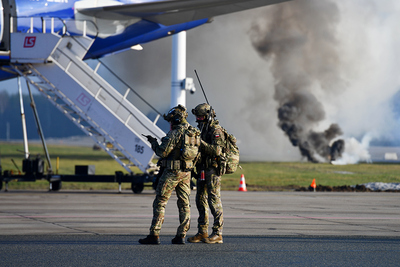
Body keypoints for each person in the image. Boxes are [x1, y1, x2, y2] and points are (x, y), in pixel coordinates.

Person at [139, 105, 197, 245]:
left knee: (160, 201)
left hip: (172, 172)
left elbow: (162, 152)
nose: (170, 123)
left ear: (176, 119)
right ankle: (181, 235)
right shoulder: (194, 132)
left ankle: (154, 235)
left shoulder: (175, 133)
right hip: (186, 173)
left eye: (171, 120)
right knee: (184, 204)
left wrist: (153, 142)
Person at [188, 103, 225, 244]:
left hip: (213, 169)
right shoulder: (202, 129)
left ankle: (217, 233)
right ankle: (202, 231)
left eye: (201, 116)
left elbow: (217, 150)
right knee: (200, 200)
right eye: (197, 116)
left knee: (214, 200)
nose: (198, 119)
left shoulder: (216, 130)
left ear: (208, 116)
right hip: (202, 169)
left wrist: (200, 142)